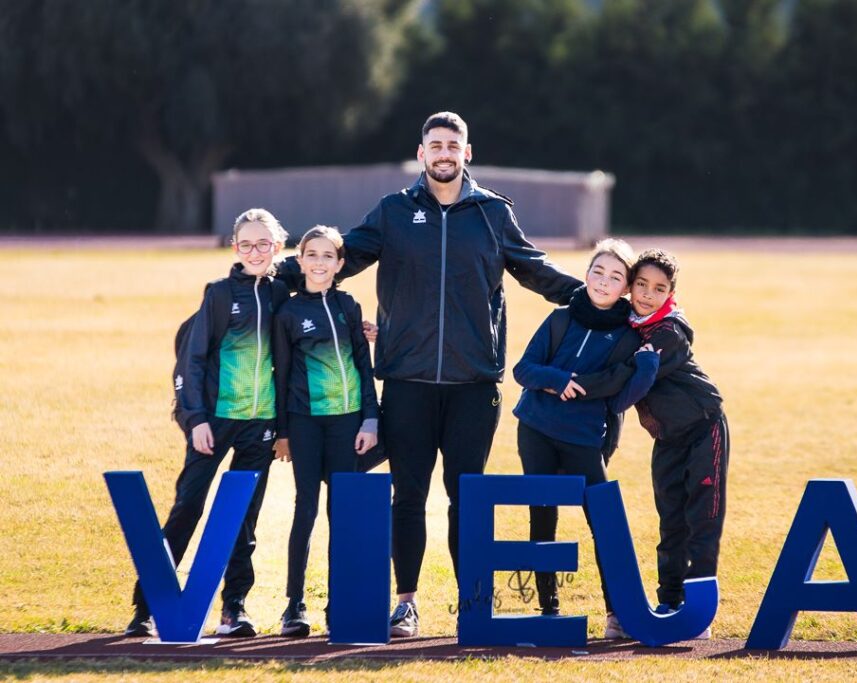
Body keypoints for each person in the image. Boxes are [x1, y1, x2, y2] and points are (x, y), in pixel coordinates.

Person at [327, 111, 581, 637]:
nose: (443, 153)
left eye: (453, 144)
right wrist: (278, 274)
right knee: (410, 494)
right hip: (407, 382)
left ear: (467, 152)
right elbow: (338, 259)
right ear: (421, 153)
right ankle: (406, 603)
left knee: (467, 495)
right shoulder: (393, 212)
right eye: (434, 144)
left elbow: (536, 271)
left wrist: (601, 297)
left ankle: (473, 604)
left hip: (473, 386)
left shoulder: (492, 214)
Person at [125, 208, 289, 638]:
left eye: (265, 244)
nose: (256, 251)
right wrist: (195, 418)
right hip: (213, 423)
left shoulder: (283, 293)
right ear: (235, 248)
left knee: (243, 518)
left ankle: (234, 609)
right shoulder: (218, 295)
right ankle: (147, 605)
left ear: (278, 247)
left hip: (261, 425)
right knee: (188, 507)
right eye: (247, 244)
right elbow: (193, 360)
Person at [572, 248, 727, 639]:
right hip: (667, 438)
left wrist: (577, 387)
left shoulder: (668, 333)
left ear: (670, 294)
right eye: (641, 284)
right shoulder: (629, 326)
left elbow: (626, 376)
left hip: (704, 427)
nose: (646, 294)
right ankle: (669, 600)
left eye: (658, 289)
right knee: (670, 520)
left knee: (702, 521)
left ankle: (698, 610)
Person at [512, 239, 660, 640]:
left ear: (625, 288)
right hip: (536, 430)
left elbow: (614, 387)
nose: (603, 281)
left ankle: (618, 613)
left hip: (583, 438)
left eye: (615, 277)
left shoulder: (629, 336)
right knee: (542, 516)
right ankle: (547, 611)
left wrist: (577, 385)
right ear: (587, 273)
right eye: (598, 272)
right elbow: (523, 370)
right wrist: (558, 381)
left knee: (603, 518)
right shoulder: (560, 319)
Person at [271, 226, 379, 637]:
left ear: (339, 265)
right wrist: (282, 432)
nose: (319, 263)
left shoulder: (349, 307)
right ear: (299, 262)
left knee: (343, 513)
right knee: (306, 509)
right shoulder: (289, 314)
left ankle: (342, 602)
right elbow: (281, 375)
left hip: (347, 422)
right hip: (304, 422)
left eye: (327, 256)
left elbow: (363, 368)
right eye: (311, 255)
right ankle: (294, 606)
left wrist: (370, 418)